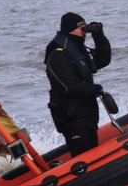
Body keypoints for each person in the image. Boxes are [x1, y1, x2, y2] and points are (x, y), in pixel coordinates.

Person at [44, 12, 111, 156]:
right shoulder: (58, 55)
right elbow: (71, 86)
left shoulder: (77, 51)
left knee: (93, 153)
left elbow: (103, 59)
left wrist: (99, 35)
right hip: (72, 119)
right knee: (85, 157)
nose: (84, 33)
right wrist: (94, 89)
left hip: (87, 115)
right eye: (82, 29)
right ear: (70, 30)